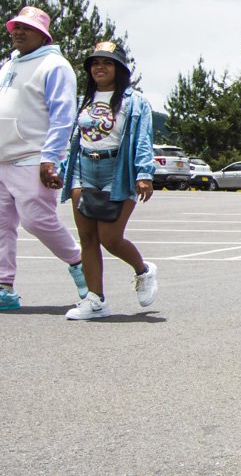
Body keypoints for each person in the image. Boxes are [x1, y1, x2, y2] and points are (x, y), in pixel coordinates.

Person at [60, 43, 158, 319]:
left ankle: (144, 270)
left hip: (117, 170)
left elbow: (142, 140)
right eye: (95, 63)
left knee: (110, 238)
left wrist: (144, 174)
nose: (99, 67)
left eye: (107, 62)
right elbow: (71, 137)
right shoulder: (85, 99)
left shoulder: (134, 101)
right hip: (84, 168)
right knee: (87, 237)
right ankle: (96, 300)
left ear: (119, 69)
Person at [0, 6, 88, 310]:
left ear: (43, 35)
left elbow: (63, 116)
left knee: (37, 221)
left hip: (32, 156)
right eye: (16, 28)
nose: (19, 33)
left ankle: (81, 263)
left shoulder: (55, 65)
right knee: (1, 226)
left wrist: (51, 158)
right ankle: (4, 287)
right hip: (2, 158)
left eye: (27, 28)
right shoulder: (8, 64)